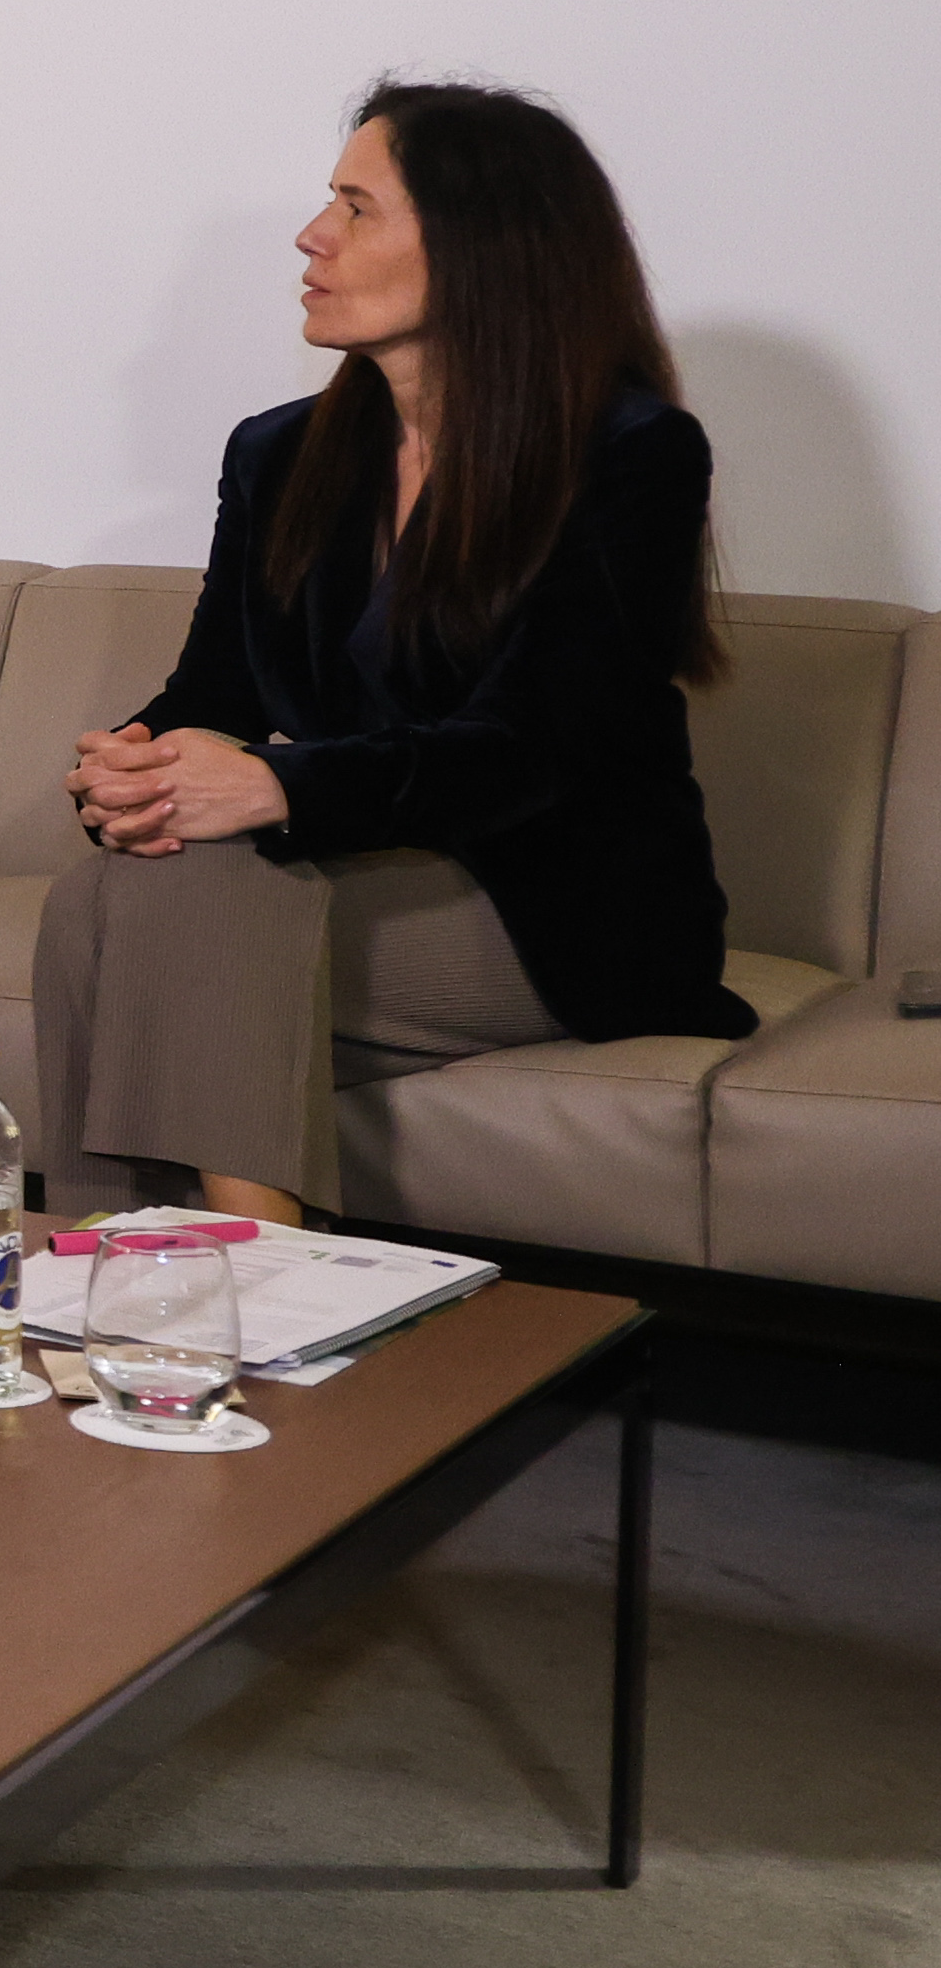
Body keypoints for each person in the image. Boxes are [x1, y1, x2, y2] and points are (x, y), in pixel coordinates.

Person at [39, 78, 751, 1224]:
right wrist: (133, 767)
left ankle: (222, 1291)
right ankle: (163, 1289)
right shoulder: (276, 453)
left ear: (476, 245)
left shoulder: (630, 453)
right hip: (350, 873)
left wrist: (276, 786)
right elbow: (211, 691)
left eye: (354, 206)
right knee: (105, 893)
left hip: (556, 909)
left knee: (180, 896)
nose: (309, 234)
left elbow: (537, 743)